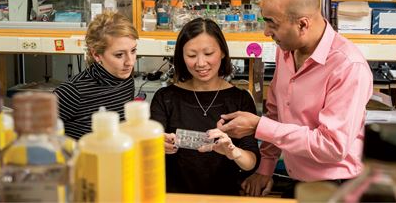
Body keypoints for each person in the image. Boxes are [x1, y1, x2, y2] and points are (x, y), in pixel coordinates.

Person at [217, 0, 373, 197]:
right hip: (298, 180)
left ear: (302, 24)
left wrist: (258, 126)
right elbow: (276, 112)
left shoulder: (348, 66)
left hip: (337, 187)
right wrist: (265, 169)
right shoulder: (286, 50)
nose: (266, 32)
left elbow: (332, 146)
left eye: (272, 23)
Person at [150, 18, 260, 195]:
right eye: (192, 56)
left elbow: (251, 161)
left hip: (224, 198)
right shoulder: (165, 98)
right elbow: (147, 155)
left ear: (223, 52)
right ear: (181, 57)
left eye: (208, 53)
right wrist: (155, 145)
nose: (200, 63)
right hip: (174, 197)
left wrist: (233, 152)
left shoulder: (239, 99)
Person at [54, 11, 138, 140]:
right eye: (119, 55)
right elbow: (35, 138)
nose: (130, 62)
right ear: (96, 55)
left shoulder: (125, 81)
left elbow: (120, 131)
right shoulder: (71, 92)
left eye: (133, 51)